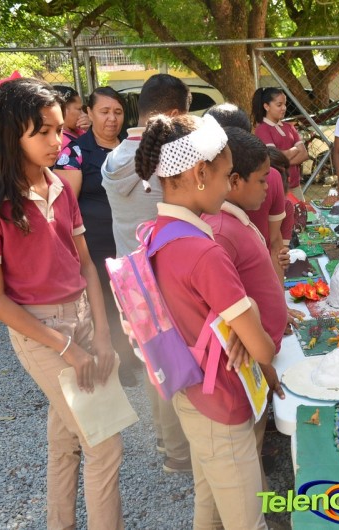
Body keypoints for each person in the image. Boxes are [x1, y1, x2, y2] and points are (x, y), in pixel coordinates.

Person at [0, 77, 123, 529]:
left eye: (59, 129)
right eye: (44, 132)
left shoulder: (60, 186)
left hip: (83, 319)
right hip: (40, 333)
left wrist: (103, 335)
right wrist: (67, 348)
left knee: (66, 437)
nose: (58, 141)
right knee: (104, 443)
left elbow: (86, 265)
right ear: (11, 134)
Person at [134, 113, 274, 530]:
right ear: (200, 174)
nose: (230, 186)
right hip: (222, 403)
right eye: (227, 176)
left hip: (191, 392)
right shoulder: (204, 252)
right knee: (247, 521)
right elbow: (263, 348)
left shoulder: (158, 233)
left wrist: (236, 322)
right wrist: (249, 313)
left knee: (210, 504)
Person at [101, 74, 193, 474]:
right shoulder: (168, 159)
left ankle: (163, 438)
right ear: (173, 113)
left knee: (154, 357)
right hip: (165, 275)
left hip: (130, 278)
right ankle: (178, 452)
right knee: (174, 359)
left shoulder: (113, 158)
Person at [202, 128, 288, 493]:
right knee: (245, 457)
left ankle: (256, 503)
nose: (268, 188)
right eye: (262, 180)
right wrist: (264, 364)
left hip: (260, 352)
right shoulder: (222, 229)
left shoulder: (238, 218)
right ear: (234, 181)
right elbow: (226, 308)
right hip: (250, 361)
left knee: (253, 444)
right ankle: (253, 509)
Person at [53, 87, 139, 386]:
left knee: (134, 299)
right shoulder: (75, 153)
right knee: (105, 301)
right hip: (96, 245)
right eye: (104, 112)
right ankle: (118, 359)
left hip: (131, 241)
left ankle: (139, 352)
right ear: (89, 113)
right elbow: (65, 208)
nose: (112, 119)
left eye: (118, 112)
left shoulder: (132, 148)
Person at [209, 103, 289, 282]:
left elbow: (276, 244)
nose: (265, 186)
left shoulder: (268, 177)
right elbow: (275, 242)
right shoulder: (219, 227)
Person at [252, 87, 309, 201]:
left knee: (301, 211)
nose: (284, 108)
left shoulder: (289, 127)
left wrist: (282, 161)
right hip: (277, 186)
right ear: (266, 106)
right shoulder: (262, 129)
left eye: (285, 104)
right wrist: (295, 150)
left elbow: (304, 154)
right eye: (279, 105)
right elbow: (273, 158)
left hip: (295, 185)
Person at [52, 85, 90, 150]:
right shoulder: (63, 142)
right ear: (63, 109)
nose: (83, 114)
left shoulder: (79, 130)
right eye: (79, 109)